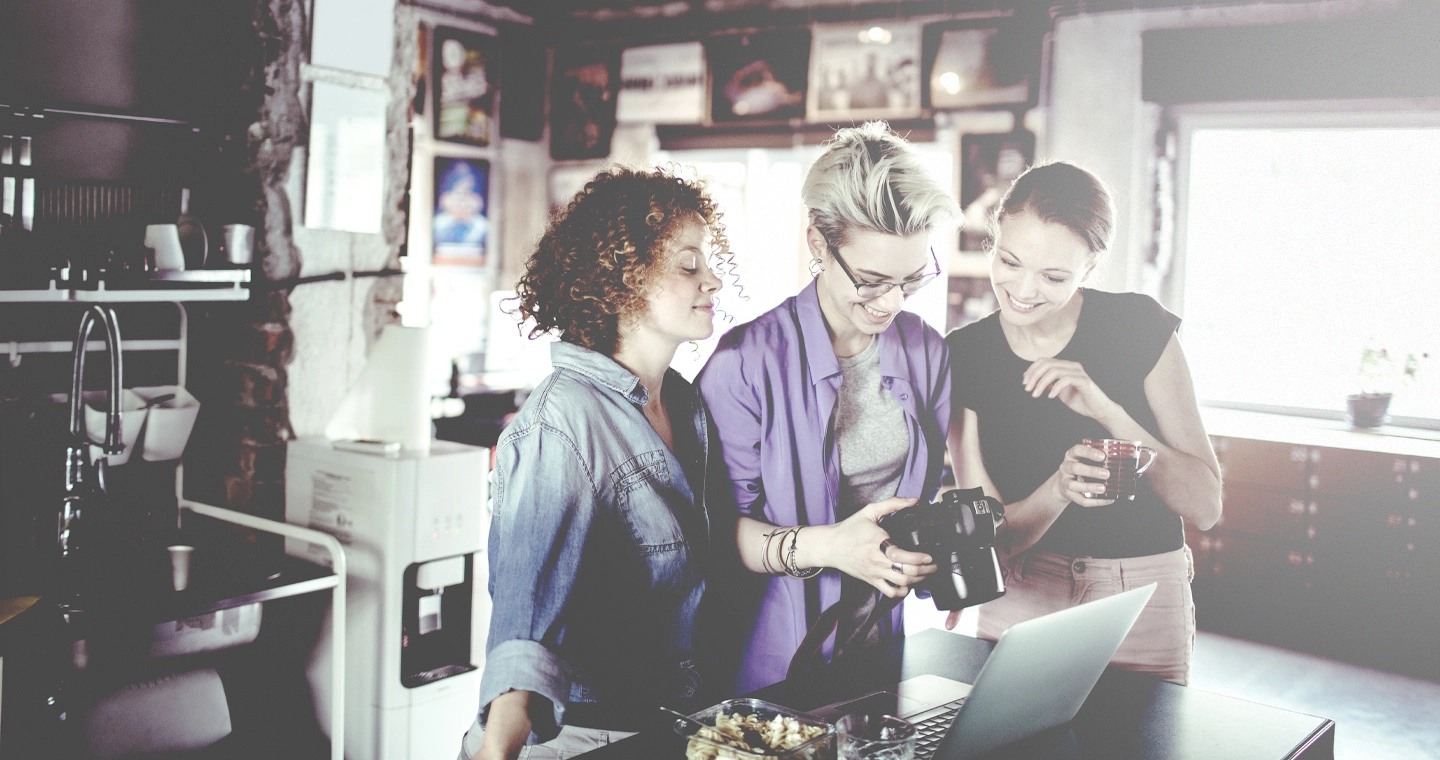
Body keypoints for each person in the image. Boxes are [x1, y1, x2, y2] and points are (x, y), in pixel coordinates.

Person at [460, 166, 732, 760]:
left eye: (708, 263)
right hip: (577, 739)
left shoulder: (684, 404)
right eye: (688, 265)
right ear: (619, 281)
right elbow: (523, 626)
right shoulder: (563, 423)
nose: (711, 280)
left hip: (663, 726)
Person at [698, 121, 960, 695]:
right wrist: (833, 547)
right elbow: (714, 536)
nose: (891, 302)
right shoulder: (743, 364)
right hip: (769, 660)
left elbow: (933, 487)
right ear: (818, 244)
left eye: (912, 278)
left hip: (880, 650)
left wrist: (928, 548)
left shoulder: (925, 350)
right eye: (871, 280)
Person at [943, 161, 1222, 685]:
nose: (1022, 290)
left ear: (1090, 269)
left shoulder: (1138, 326)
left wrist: (1108, 412)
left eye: (1053, 276)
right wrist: (1060, 488)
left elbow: (1206, 506)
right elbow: (991, 539)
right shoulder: (966, 354)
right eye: (1009, 261)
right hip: (1022, 597)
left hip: (1140, 598)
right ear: (994, 240)